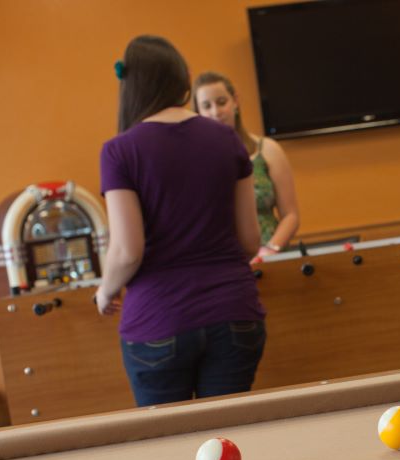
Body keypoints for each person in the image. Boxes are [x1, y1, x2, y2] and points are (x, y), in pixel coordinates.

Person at [97, 35, 267, 407]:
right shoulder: (227, 139)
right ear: (183, 80)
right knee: (225, 450)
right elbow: (250, 241)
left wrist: (106, 291)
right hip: (234, 313)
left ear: (130, 86)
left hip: (158, 321)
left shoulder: (119, 151)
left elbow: (127, 251)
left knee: (167, 451)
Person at [193, 71, 301, 261]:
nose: (215, 112)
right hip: (221, 262)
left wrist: (270, 250)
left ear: (235, 101)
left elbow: (290, 215)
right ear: (198, 112)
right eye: (206, 106)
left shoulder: (267, 149)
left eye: (221, 102)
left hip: (270, 259)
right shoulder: (194, 159)